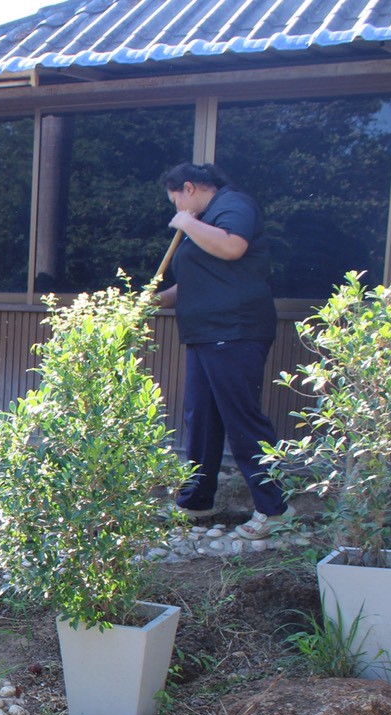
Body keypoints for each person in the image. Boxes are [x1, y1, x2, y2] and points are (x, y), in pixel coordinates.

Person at [156, 162, 288, 540]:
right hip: (204, 334)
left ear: (189, 188)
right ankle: (197, 500)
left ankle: (274, 509)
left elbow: (232, 247)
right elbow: (195, 283)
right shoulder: (204, 221)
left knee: (241, 418)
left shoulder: (233, 205)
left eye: (176, 200)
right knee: (202, 419)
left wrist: (186, 222)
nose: (177, 209)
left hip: (235, 331)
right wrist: (149, 301)